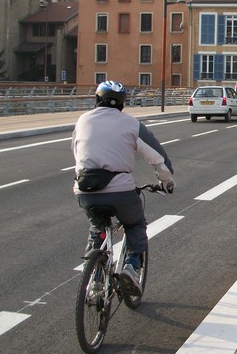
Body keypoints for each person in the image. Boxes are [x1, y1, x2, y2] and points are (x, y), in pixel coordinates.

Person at [71, 80, 175, 296]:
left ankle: (95, 279)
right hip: (120, 192)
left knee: (98, 229)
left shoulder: (82, 120)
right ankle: (132, 265)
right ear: (122, 103)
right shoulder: (131, 124)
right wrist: (166, 181)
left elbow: (77, 150)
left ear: (97, 99)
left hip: (85, 191)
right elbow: (157, 158)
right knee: (135, 223)